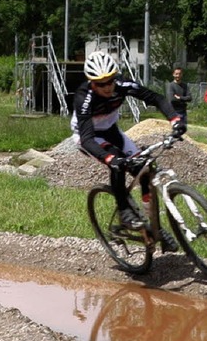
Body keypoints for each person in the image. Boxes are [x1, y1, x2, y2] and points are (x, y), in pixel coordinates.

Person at [71, 51, 185, 249]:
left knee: (144, 171)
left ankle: (152, 227)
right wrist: (108, 159)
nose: (107, 86)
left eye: (109, 80)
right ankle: (124, 211)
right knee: (116, 162)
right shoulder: (84, 98)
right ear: (91, 82)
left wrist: (175, 120)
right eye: (101, 83)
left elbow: (156, 98)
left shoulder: (121, 84)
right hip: (89, 136)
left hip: (112, 130)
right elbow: (88, 139)